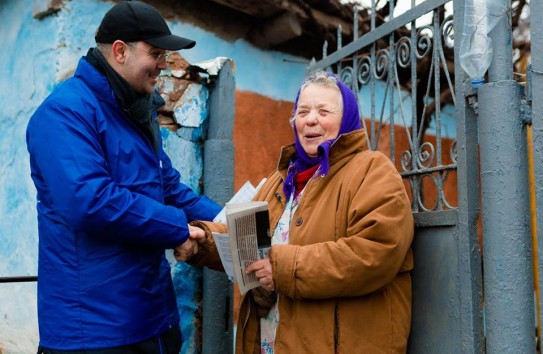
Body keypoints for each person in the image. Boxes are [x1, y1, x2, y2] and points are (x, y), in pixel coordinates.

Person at [26, 1, 219, 353]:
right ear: (119, 51)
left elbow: (169, 187)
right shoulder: (64, 112)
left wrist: (230, 222)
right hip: (94, 330)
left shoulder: (136, 112)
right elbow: (89, 200)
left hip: (151, 319)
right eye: (156, 53)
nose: (164, 65)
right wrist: (177, 228)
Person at [183, 71, 414, 353]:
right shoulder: (280, 180)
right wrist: (203, 241)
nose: (310, 119)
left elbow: (377, 252)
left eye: (323, 111)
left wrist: (281, 268)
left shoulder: (372, 171)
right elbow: (249, 241)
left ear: (347, 119)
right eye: (302, 111)